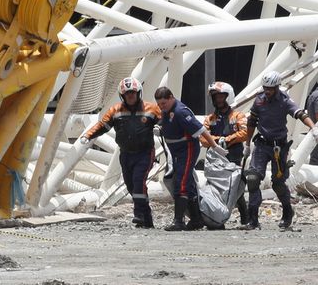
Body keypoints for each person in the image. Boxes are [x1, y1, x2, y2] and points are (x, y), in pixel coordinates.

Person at [243, 71, 318, 230]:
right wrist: (246, 144)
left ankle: (287, 212)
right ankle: (253, 219)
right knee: (252, 179)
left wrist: (314, 128)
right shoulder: (259, 101)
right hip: (261, 145)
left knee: (278, 184)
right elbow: (251, 122)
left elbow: (300, 114)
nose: (267, 91)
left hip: (279, 148)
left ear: (277, 87)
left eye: (271, 88)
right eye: (265, 88)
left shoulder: (285, 101)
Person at [81, 77, 161, 229]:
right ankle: (147, 218)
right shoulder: (115, 110)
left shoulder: (151, 109)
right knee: (132, 187)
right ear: (122, 96)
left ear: (139, 93)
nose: (130, 96)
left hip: (145, 153)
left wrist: (161, 128)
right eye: (127, 94)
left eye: (133, 93)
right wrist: (88, 135)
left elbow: (165, 122)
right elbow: (102, 126)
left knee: (138, 182)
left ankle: (138, 214)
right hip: (125, 154)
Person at [154, 86, 227, 231]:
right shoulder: (167, 110)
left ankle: (178, 221)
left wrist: (214, 146)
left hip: (186, 149)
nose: (161, 107)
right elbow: (169, 123)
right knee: (188, 183)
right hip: (175, 150)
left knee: (181, 182)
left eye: (164, 103)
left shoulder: (181, 112)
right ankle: (196, 219)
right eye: (159, 104)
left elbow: (201, 130)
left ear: (171, 98)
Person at [200, 81, 249, 227]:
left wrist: (227, 140)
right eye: (215, 97)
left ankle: (245, 218)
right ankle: (216, 217)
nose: (218, 100)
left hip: (233, 156)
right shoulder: (210, 119)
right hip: (215, 160)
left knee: (236, 187)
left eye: (221, 97)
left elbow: (245, 132)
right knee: (214, 188)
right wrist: (217, 141)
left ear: (228, 96)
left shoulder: (238, 116)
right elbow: (203, 138)